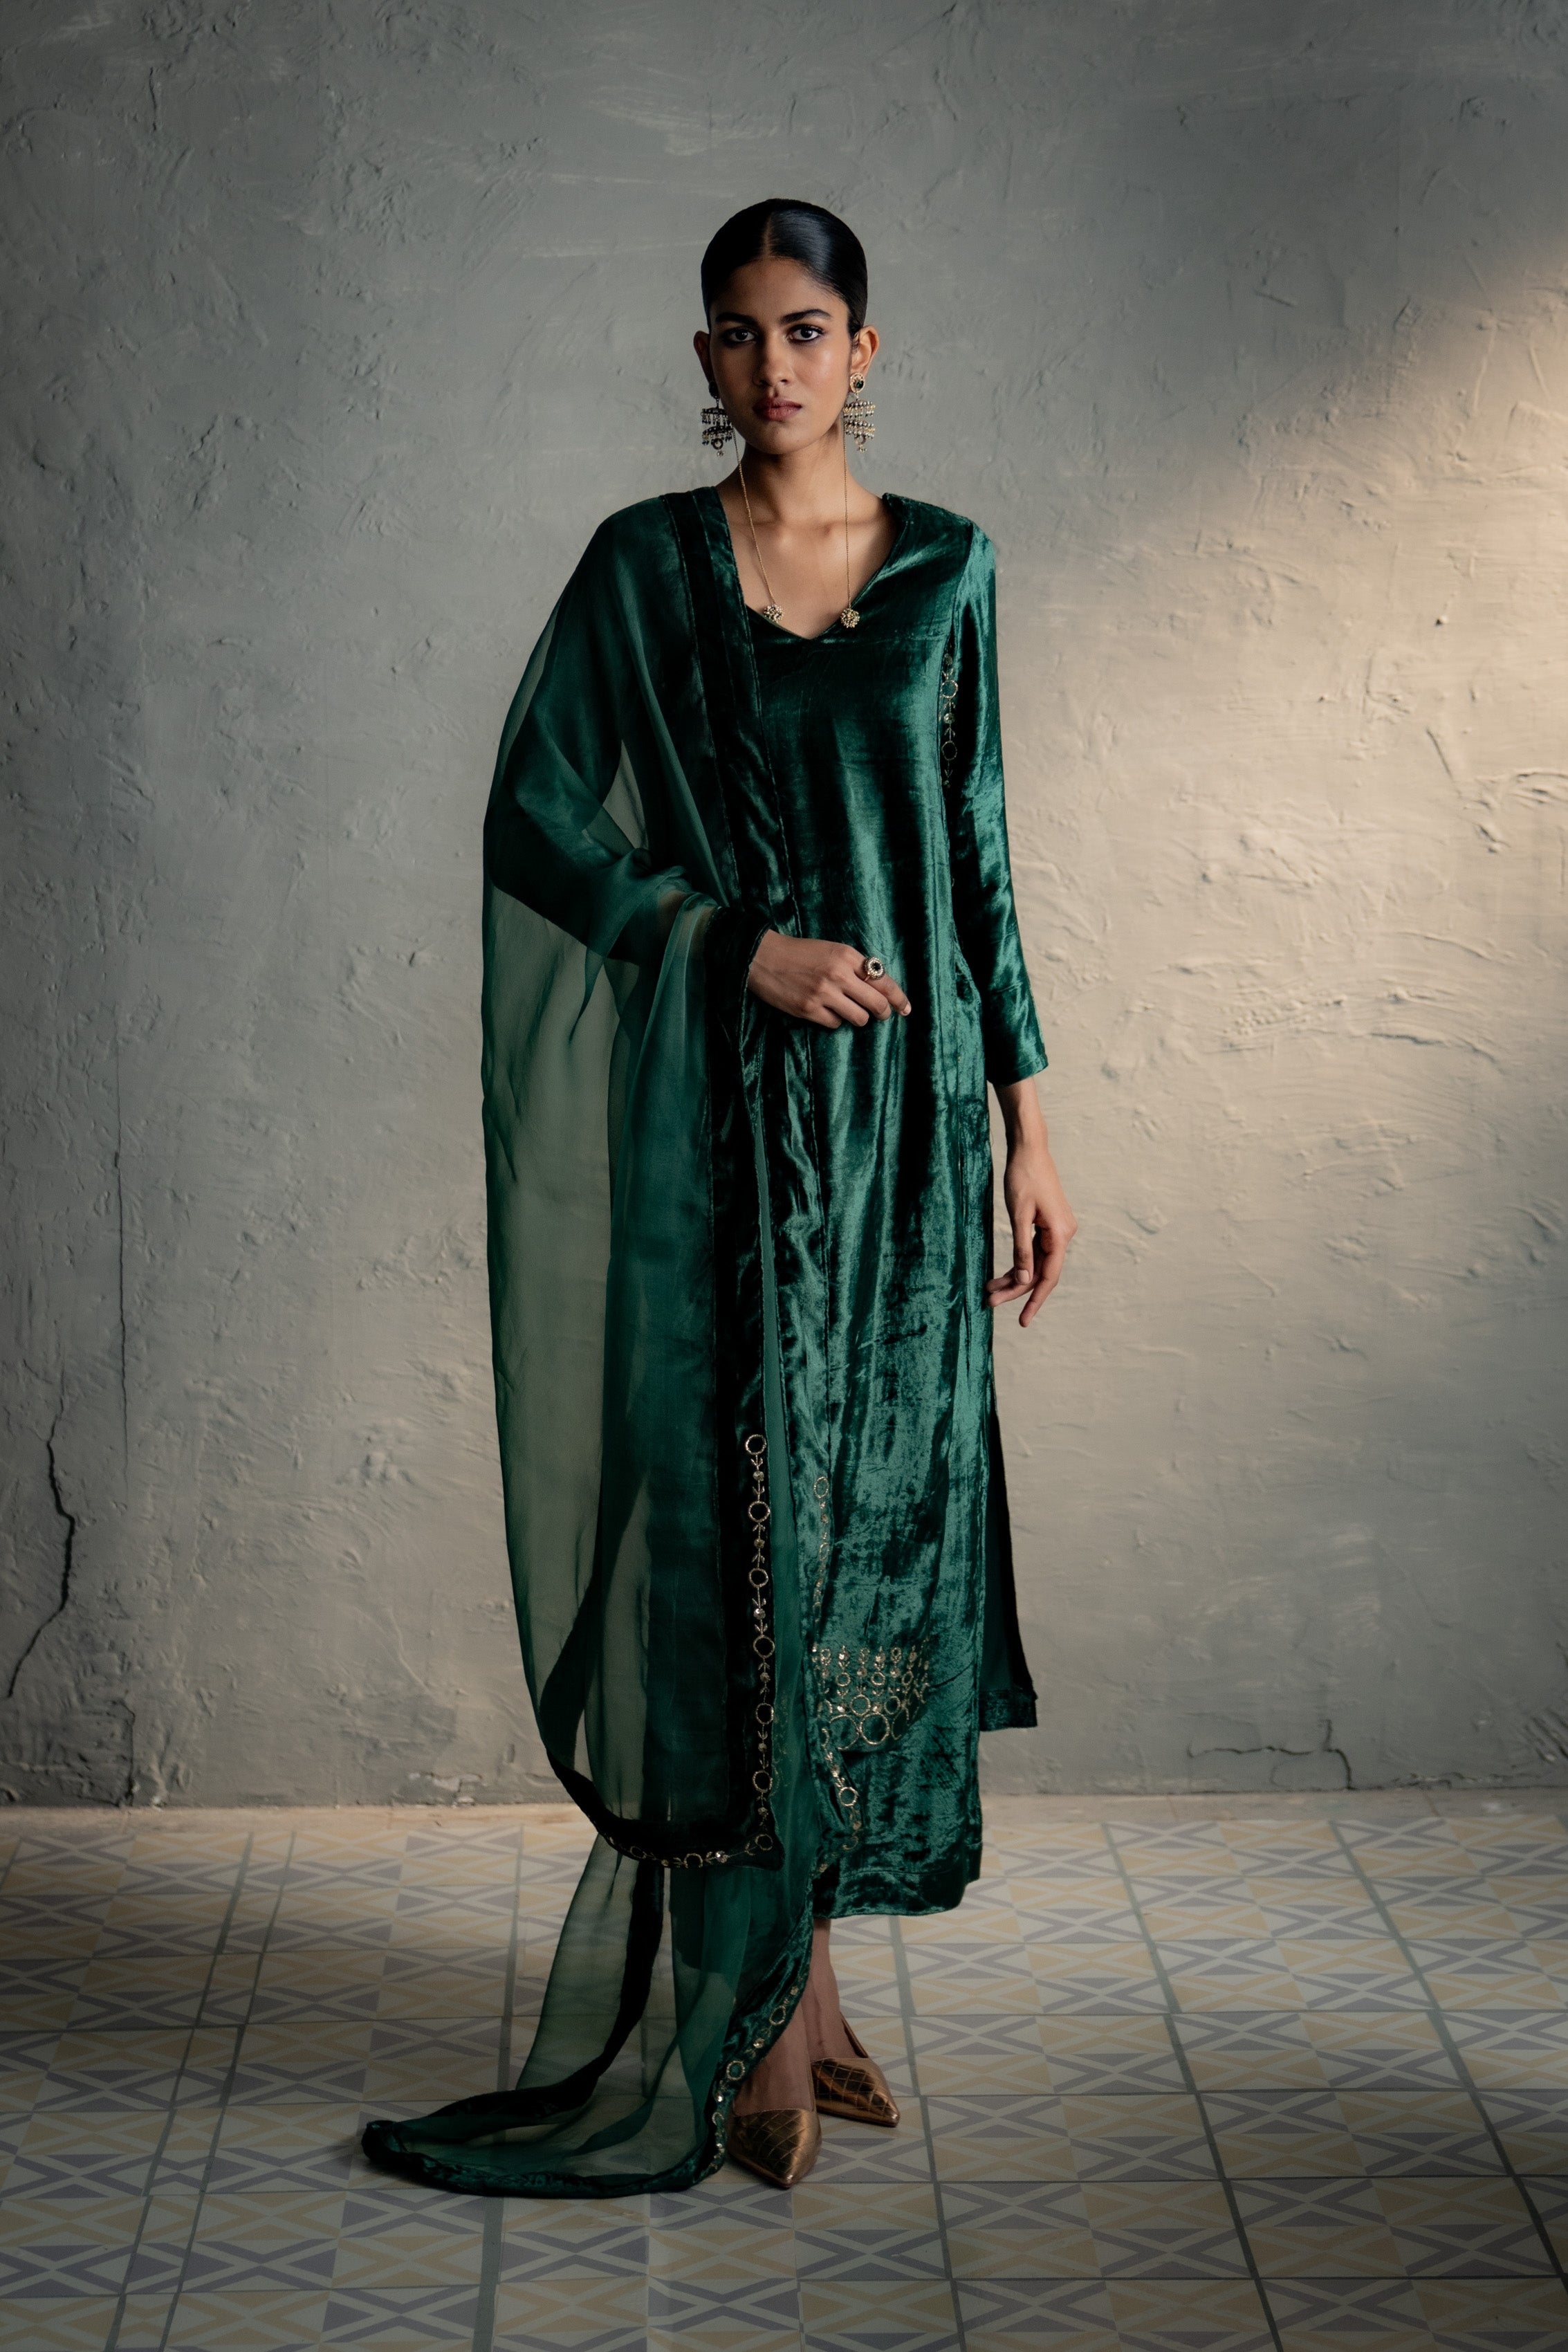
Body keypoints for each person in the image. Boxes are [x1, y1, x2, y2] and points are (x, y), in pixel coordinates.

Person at [362, 196, 1076, 2198]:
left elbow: (978, 855)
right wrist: (730, 946)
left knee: (872, 1549)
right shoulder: (646, 568)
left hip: (905, 1148)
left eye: (810, 327)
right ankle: (754, 2017)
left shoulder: (948, 568)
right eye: (742, 332)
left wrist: (1029, 1126)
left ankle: (808, 1987)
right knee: (743, 1547)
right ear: (703, 359)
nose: (775, 364)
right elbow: (533, 815)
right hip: (722, 1148)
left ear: (866, 351)